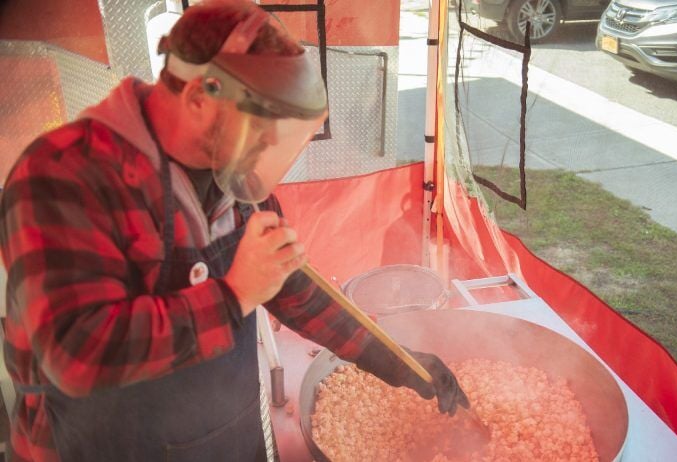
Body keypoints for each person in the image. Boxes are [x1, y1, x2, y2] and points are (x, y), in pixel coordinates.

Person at [0, 1, 469, 461]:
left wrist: (395, 362)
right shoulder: (61, 176)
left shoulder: (233, 171)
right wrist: (233, 295)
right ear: (200, 96)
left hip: (223, 437)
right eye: (259, 129)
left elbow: (293, 286)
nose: (266, 147)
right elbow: (77, 356)